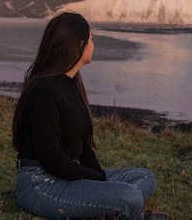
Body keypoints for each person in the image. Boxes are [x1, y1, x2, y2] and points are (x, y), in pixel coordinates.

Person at [12, 12, 171, 219]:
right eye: (91, 39)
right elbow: (51, 159)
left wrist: (99, 177)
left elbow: (84, 147)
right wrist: (95, 179)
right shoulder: (44, 90)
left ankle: (113, 209)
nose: (93, 44)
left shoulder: (72, 83)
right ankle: (132, 213)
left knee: (144, 177)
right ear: (79, 46)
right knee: (129, 197)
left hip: (70, 174)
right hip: (41, 184)